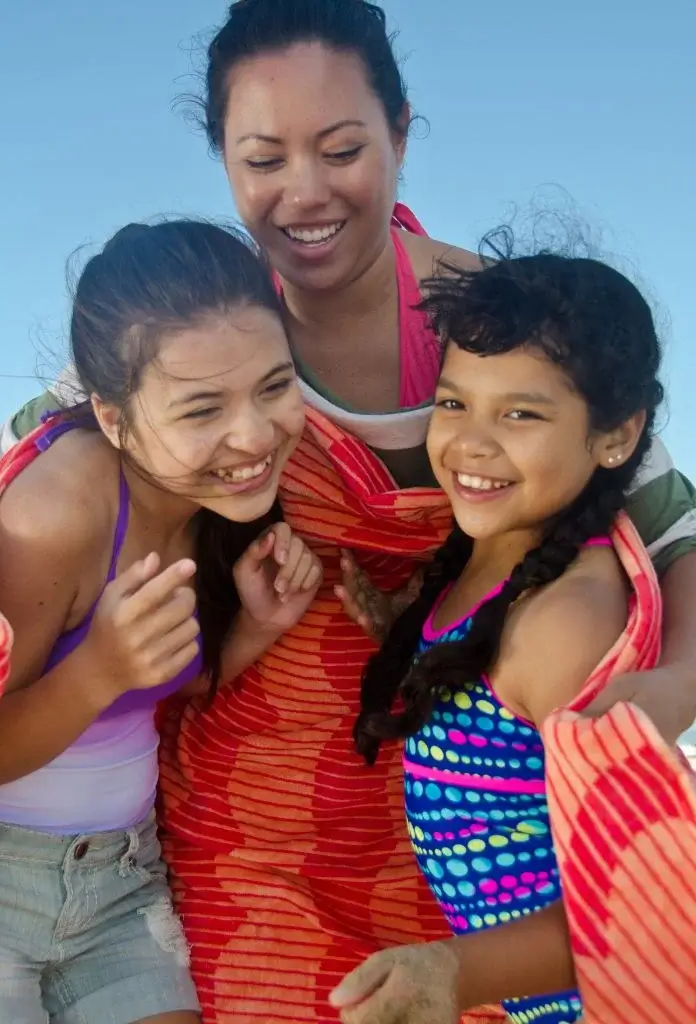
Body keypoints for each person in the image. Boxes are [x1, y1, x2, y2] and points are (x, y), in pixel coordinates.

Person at [0, 1, 696, 1020]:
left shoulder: (505, 329)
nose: (304, 192)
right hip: (240, 826)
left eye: (341, 149)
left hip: (460, 817)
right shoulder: (195, 330)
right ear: (226, 164)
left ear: (402, 133)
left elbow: (677, 529)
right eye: (262, 159)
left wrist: (679, 681)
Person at [0, 218, 322, 1024]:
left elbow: (143, 697)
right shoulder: (63, 506)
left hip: (121, 887)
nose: (252, 435)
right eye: (202, 408)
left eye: (275, 387)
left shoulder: (221, 503)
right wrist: (97, 668)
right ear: (112, 417)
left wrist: (251, 629)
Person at [331, 237, 663, 1023]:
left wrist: (455, 972)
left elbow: (632, 905)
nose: (471, 444)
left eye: (520, 413)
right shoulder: (488, 568)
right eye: (454, 403)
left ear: (615, 436)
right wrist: (405, 635)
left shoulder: (564, 621)